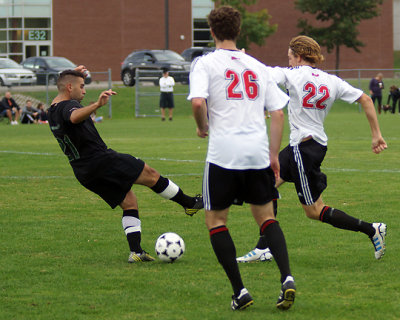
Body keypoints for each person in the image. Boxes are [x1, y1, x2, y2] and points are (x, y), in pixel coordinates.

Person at [237, 35, 388, 264]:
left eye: (290, 56)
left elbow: (263, 73)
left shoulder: (292, 74)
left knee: (314, 211)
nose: (288, 61)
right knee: (266, 183)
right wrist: (376, 134)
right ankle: (263, 247)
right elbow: (366, 99)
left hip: (303, 150)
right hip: (309, 146)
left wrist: (242, 60)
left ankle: (371, 230)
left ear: (298, 56)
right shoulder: (332, 80)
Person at [188, 6, 295, 311]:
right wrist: (274, 154)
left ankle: (240, 291)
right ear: (238, 31)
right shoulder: (257, 65)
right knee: (266, 218)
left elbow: (197, 102)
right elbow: (277, 113)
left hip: (223, 153)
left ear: (212, 32)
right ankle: (286, 278)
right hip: (257, 153)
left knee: (216, 220)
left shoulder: (205, 63)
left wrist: (203, 126)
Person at [48, 68, 203, 263]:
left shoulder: (52, 109)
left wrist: (71, 73)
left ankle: (136, 252)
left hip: (83, 171)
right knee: (150, 174)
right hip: (101, 160)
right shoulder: (68, 106)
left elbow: (68, 107)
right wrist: (97, 104)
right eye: (82, 86)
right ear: (69, 87)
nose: (84, 91)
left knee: (129, 201)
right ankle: (189, 204)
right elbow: (73, 116)